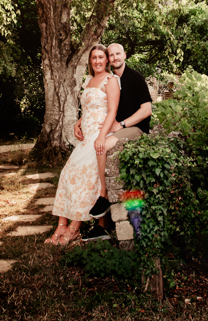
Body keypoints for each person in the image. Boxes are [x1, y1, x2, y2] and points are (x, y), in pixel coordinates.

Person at [77, 42, 153, 241]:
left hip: (135, 129)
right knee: (95, 149)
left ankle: (104, 197)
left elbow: (147, 110)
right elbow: (99, 107)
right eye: (111, 55)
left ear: (125, 54)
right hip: (113, 128)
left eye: (118, 53)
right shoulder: (109, 79)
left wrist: (124, 124)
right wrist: (80, 121)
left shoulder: (134, 77)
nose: (115, 57)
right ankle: (100, 224)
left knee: (104, 146)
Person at [45, 44, 120, 245]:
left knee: (83, 174)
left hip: (100, 134)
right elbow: (87, 108)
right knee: (67, 173)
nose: (97, 61)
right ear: (90, 61)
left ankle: (74, 227)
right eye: (94, 58)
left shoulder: (111, 81)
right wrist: (78, 122)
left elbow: (112, 111)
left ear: (107, 60)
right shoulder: (88, 80)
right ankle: (61, 225)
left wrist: (101, 136)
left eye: (100, 57)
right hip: (86, 137)